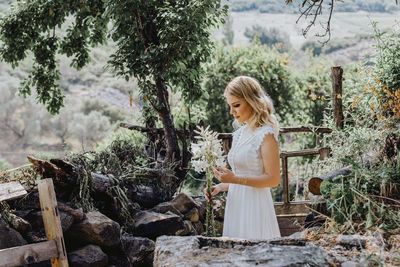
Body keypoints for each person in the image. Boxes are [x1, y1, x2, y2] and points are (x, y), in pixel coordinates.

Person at [204, 76, 281, 240]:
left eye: (236, 105)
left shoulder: (266, 135)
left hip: (255, 207)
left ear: (252, 101)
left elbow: (273, 180)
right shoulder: (239, 134)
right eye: (230, 106)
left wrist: (235, 179)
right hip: (236, 205)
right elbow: (239, 176)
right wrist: (220, 186)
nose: (232, 112)